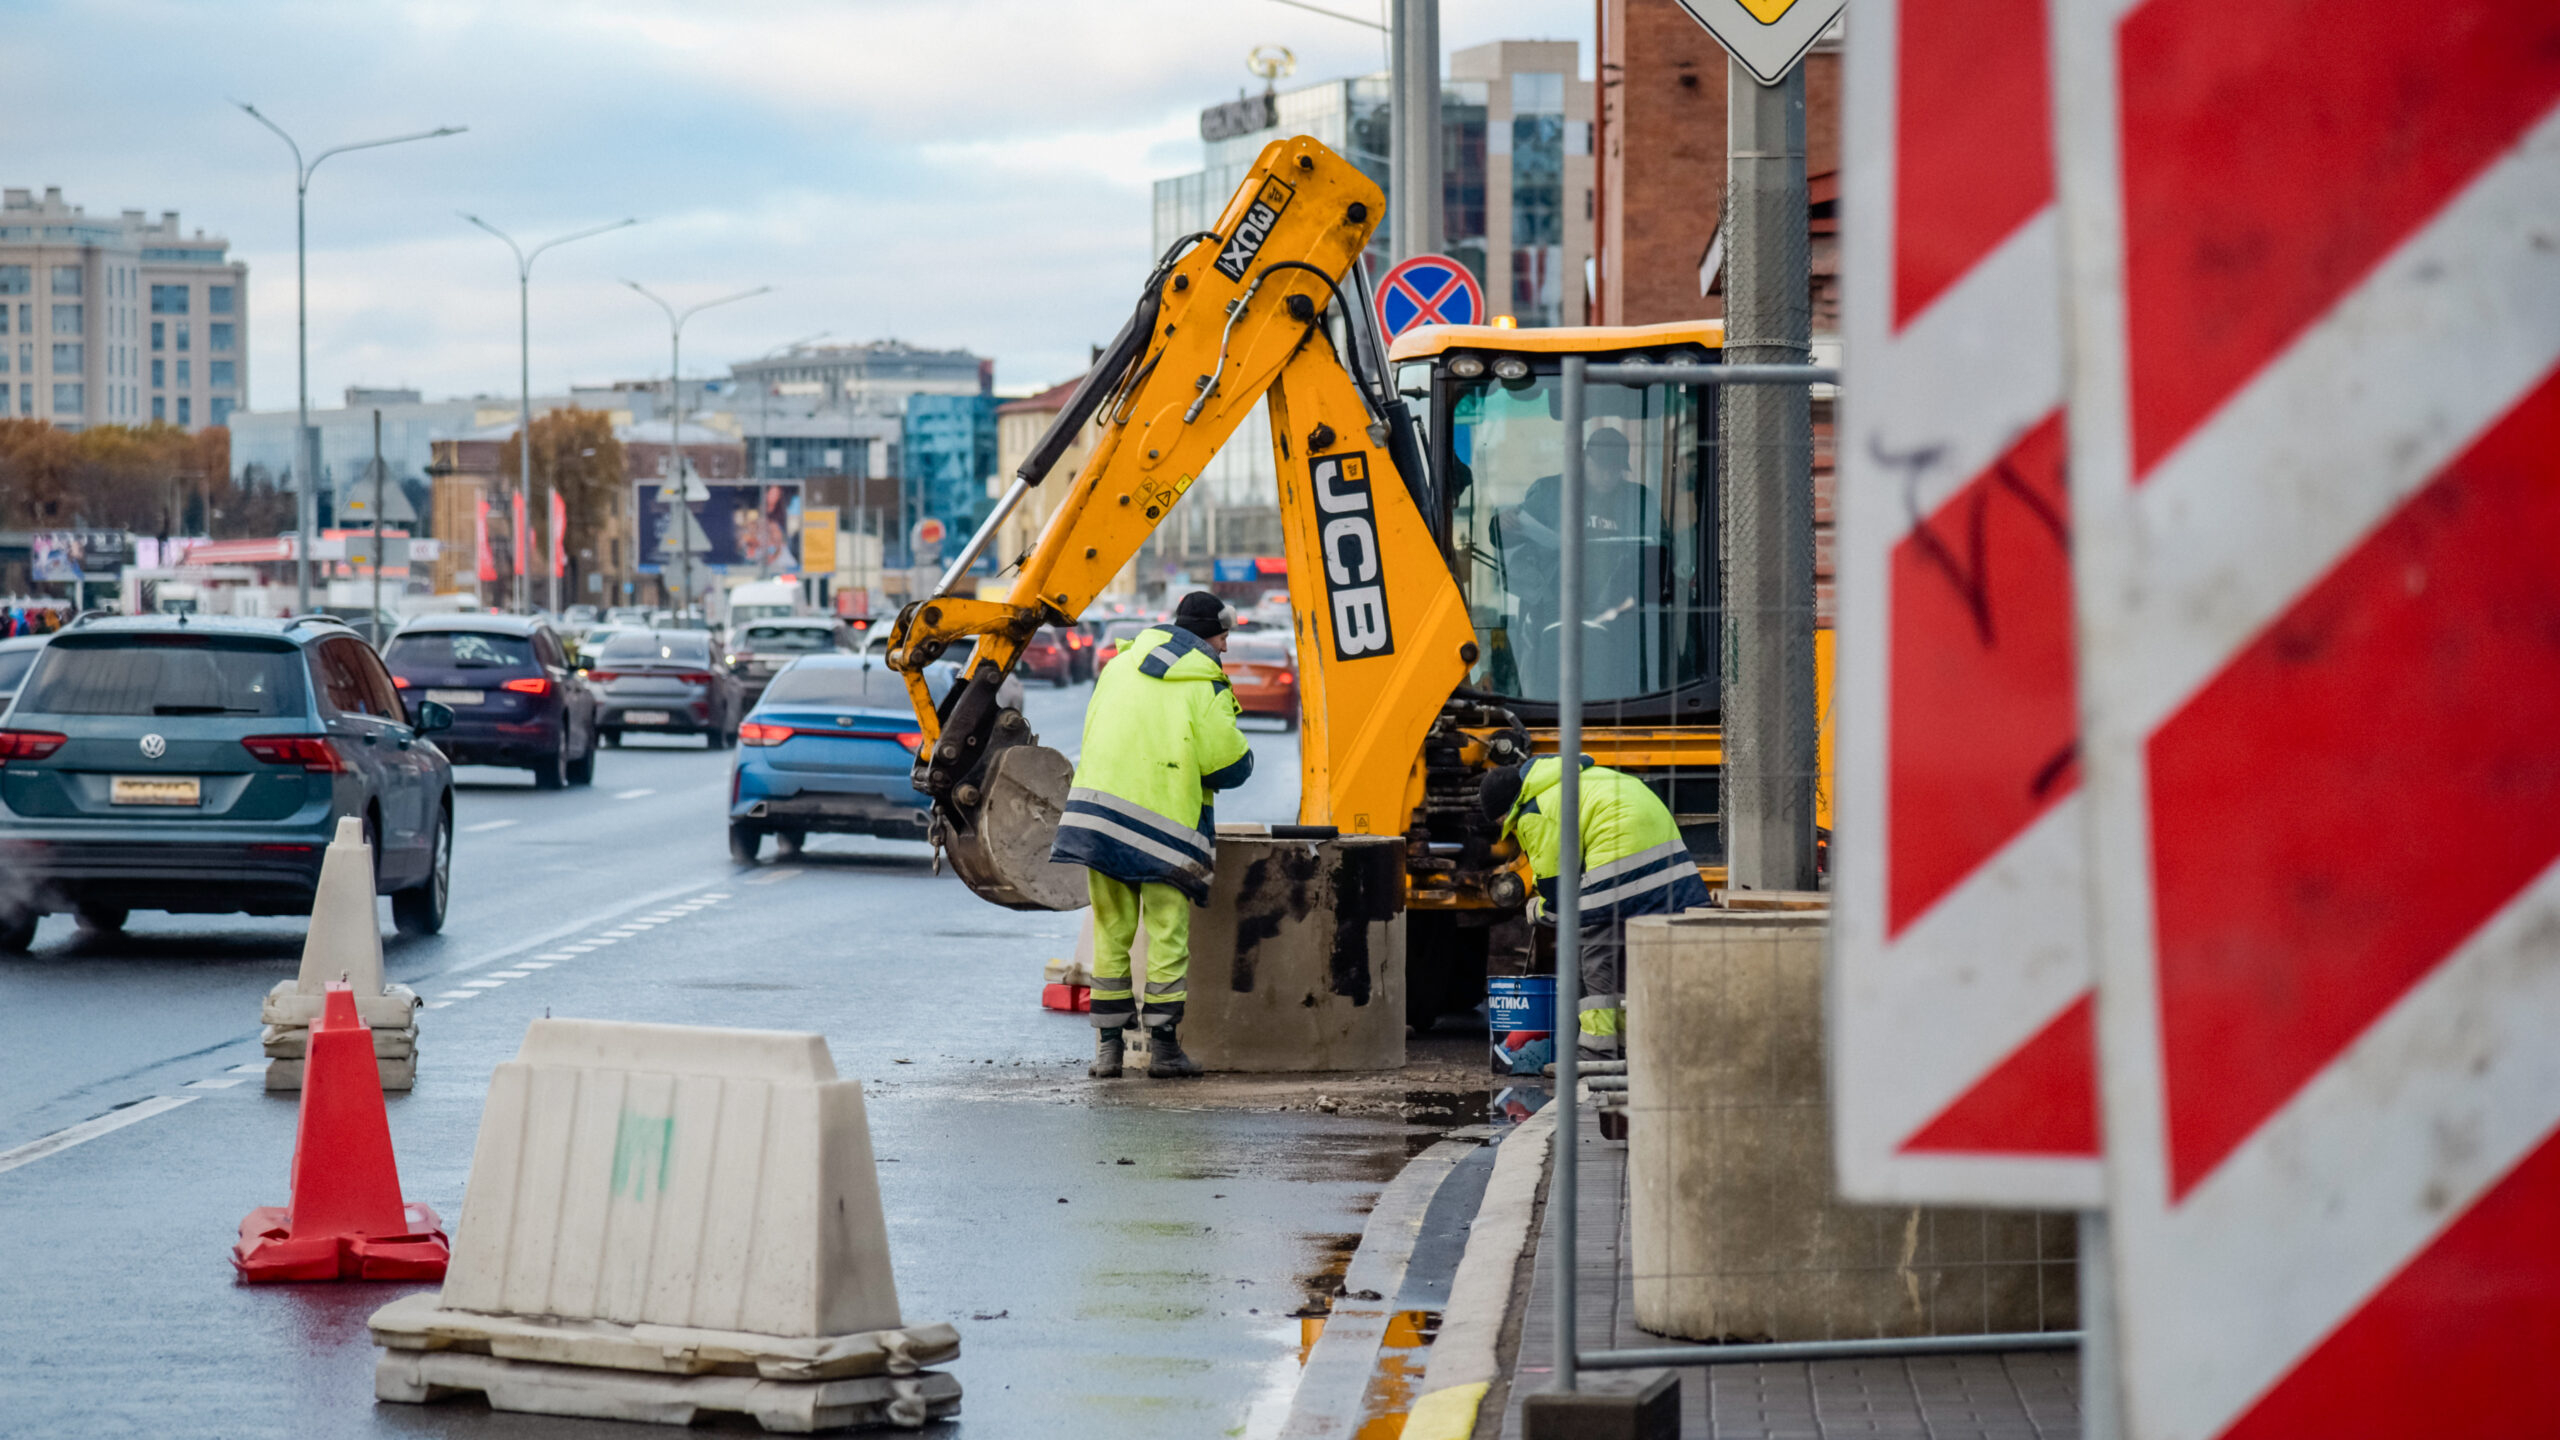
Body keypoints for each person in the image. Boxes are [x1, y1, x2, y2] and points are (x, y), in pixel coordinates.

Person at [1051, 591, 1255, 1079]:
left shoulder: (1118, 665)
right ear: (1209, 634)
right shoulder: (1205, 682)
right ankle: (1164, 1051)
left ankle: (1108, 1052)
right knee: (1166, 936)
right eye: (1224, 637)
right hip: (1163, 827)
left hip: (1097, 816)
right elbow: (1227, 764)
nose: (1226, 648)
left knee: (1110, 932)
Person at [1481, 749, 1709, 1058]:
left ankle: (1596, 1049)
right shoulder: (1572, 779)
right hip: (1666, 859)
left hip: (1620, 856)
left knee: (1593, 943)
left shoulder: (1533, 810)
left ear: (1503, 811)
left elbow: (1556, 881)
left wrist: (1540, 910)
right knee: (1624, 947)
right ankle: (1630, 1043)